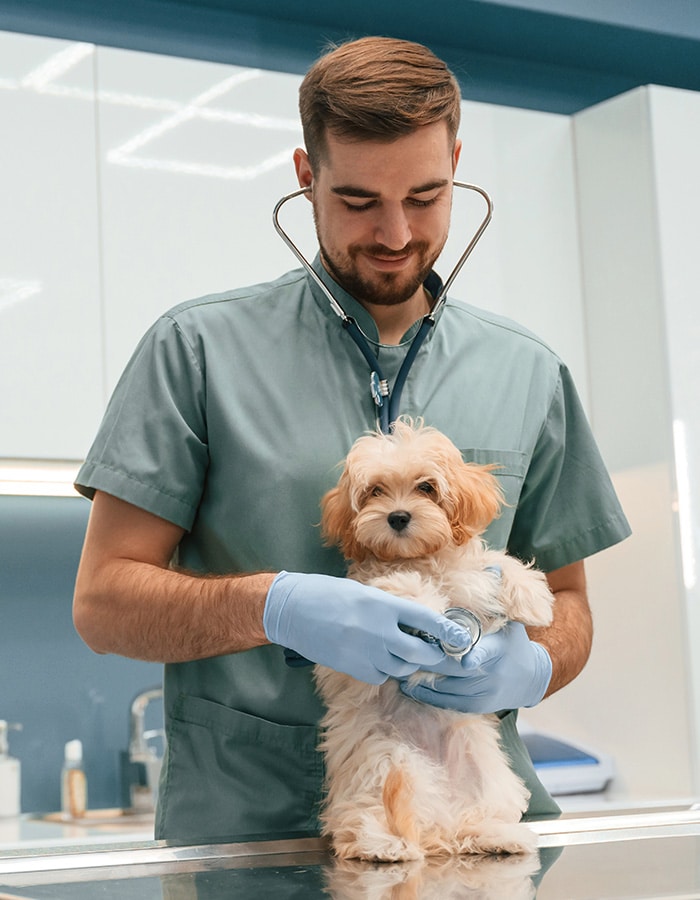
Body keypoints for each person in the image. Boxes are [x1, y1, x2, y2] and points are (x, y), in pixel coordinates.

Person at [73, 36, 630, 845]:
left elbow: (570, 605)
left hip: (472, 837)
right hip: (251, 840)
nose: (397, 233)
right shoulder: (195, 351)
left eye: (427, 195)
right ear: (306, 177)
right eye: (360, 200)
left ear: (458, 163)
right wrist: (274, 605)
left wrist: (535, 664)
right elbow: (102, 606)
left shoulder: (529, 371)